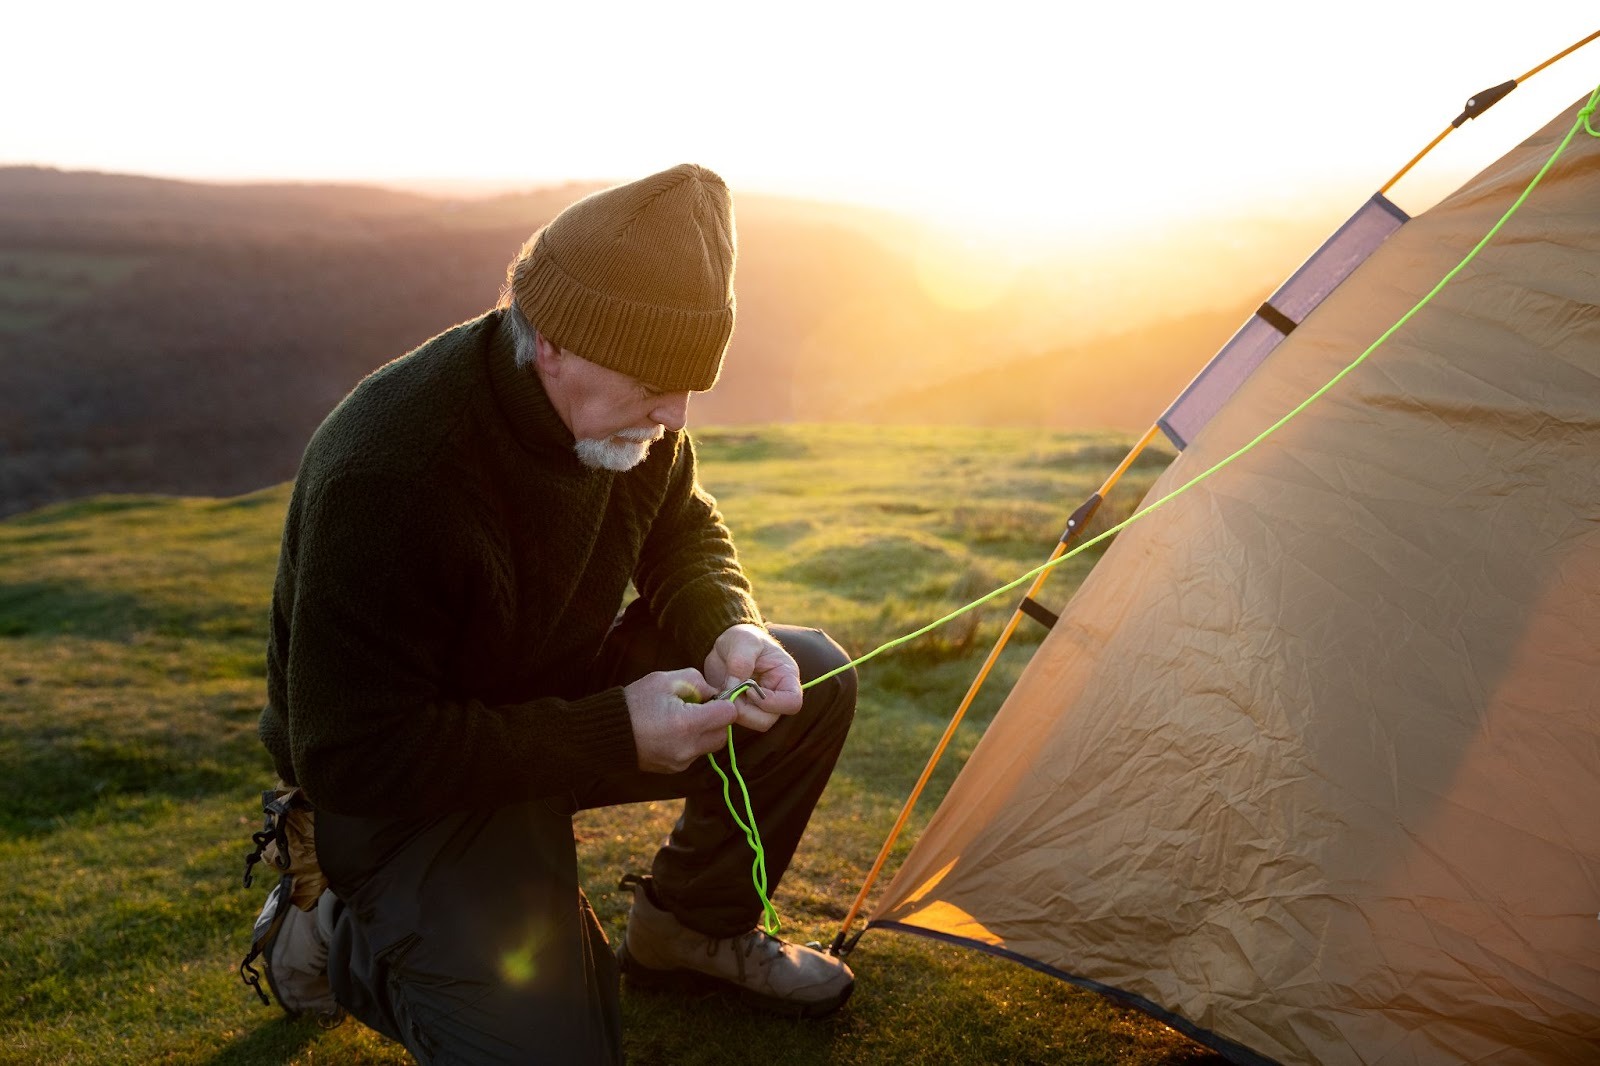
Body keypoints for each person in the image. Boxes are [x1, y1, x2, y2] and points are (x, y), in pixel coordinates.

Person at [250, 163, 858, 1063]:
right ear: (554, 344)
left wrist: (727, 625)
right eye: (657, 381)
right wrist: (614, 734)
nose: (677, 412)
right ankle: (333, 931)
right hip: (408, 785)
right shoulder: (393, 474)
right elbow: (353, 754)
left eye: (692, 383)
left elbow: (681, 529)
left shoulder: (632, 416)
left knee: (809, 675)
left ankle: (689, 929)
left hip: (552, 699)